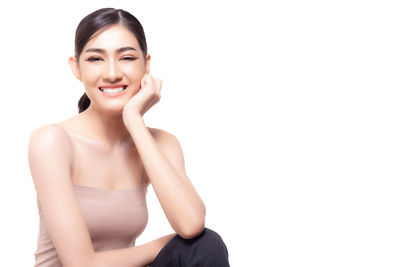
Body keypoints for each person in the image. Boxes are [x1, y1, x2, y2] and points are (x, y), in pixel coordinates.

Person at [28, 7, 230, 267]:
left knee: (205, 244)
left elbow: (191, 225)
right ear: (76, 68)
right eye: (95, 59)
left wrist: (134, 120)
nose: (112, 73)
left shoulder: (162, 143)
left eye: (126, 57)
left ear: (146, 65)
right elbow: (80, 264)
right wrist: (167, 244)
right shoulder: (51, 141)